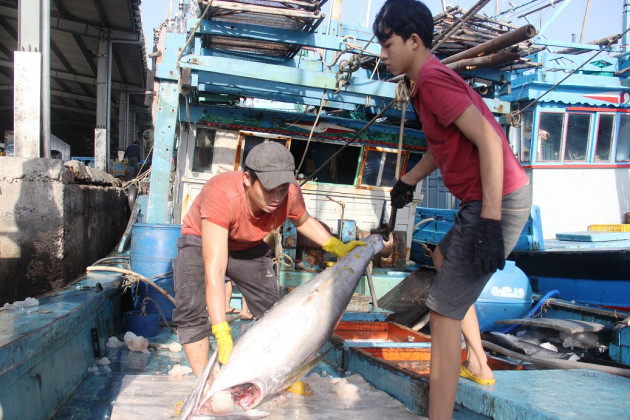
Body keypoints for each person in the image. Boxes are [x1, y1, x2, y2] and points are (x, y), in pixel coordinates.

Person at [373, 1, 532, 418]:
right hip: (482, 201)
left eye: (388, 45)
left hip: (497, 200)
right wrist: (409, 179)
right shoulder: (422, 83)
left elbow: (491, 143)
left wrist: (491, 222)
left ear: (413, 40)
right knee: (442, 258)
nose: (383, 54)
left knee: (442, 315)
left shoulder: (434, 81)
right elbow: (444, 145)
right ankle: (478, 362)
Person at [172, 141, 365, 388]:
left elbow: (304, 221)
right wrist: (220, 329)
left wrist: (337, 246)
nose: (277, 198)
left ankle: (280, 375)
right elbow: (215, 270)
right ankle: (207, 388)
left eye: (282, 189)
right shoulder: (222, 194)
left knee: (275, 311)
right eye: (270, 189)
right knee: (190, 309)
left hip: (248, 245)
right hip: (202, 241)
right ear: (247, 179)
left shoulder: (290, 194)